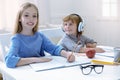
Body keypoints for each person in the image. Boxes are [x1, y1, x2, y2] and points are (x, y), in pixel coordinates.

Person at [5, 2, 75, 68]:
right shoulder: (16, 39)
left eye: (34, 16)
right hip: (24, 71)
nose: (31, 19)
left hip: (41, 69)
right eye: (26, 15)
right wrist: (35, 60)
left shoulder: (40, 36)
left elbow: (54, 49)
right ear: (19, 18)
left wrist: (67, 54)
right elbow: (9, 60)